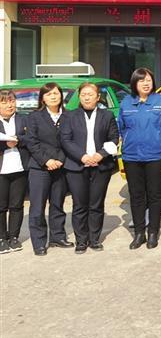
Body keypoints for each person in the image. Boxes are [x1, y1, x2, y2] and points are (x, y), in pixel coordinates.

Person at [118, 68, 161, 250]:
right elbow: (122, 127)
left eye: (148, 80)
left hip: (155, 155)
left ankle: (152, 233)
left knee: (155, 195)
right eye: (141, 80)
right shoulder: (126, 103)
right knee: (136, 195)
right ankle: (139, 233)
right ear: (134, 83)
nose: (145, 83)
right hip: (132, 156)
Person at [60, 82, 120, 253]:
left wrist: (100, 154)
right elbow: (66, 140)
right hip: (77, 165)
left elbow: (114, 138)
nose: (87, 98)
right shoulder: (69, 116)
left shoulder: (107, 115)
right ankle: (81, 240)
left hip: (101, 166)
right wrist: (83, 156)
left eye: (90, 94)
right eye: (83, 94)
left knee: (96, 204)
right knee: (79, 204)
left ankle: (94, 239)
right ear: (79, 97)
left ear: (98, 97)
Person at [26, 83, 72, 255]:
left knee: (57, 204)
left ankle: (57, 237)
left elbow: (71, 140)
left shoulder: (69, 116)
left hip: (60, 166)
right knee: (37, 206)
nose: (53, 97)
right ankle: (39, 242)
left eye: (56, 93)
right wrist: (46, 160)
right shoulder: (34, 117)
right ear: (42, 98)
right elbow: (32, 142)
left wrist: (60, 159)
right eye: (49, 94)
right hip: (40, 167)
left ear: (61, 96)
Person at [0, 90, 30, 255]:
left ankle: (13, 237)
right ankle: (1, 238)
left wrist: (17, 140)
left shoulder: (23, 119)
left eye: (11, 101)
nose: (9, 105)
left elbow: (31, 138)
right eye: (4, 102)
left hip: (19, 168)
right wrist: (5, 144)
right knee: (1, 206)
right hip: (2, 170)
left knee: (16, 205)